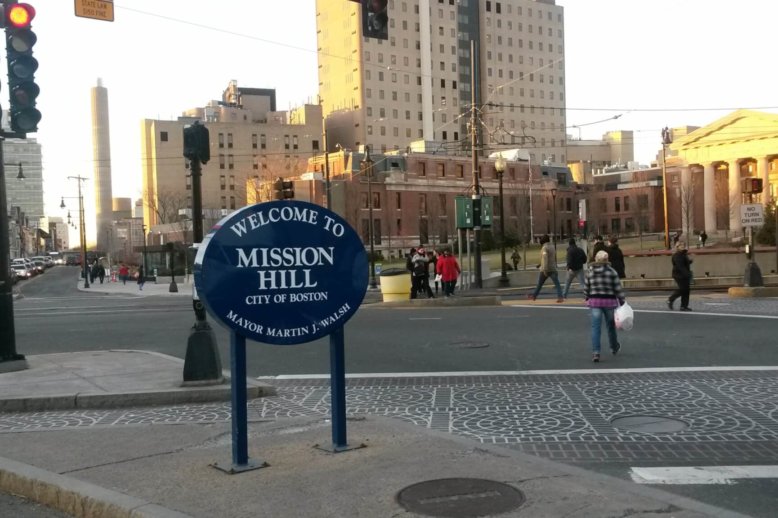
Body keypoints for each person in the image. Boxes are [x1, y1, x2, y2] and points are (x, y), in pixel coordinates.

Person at [584, 250, 625, 363]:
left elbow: (586, 288)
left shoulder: (590, 272)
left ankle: (596, 352)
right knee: (610, 326)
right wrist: (622, 300)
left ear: (596, 259)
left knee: (595, 328)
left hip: (595, 302)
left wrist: (587, 297)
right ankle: (614, 347)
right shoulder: (612, 272)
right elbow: (618, 288)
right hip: (609, 302)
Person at [527, 235, 563, 302]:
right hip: (553, 268)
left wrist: (544, 269)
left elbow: (545, 258)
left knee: (540, 284)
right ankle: (560, 297)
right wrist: (540, 264)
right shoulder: (552, 247)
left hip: (545, 269)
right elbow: (550, 258)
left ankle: (534, 296)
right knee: (557, 284)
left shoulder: (544, 248)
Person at [668, 242, 693, 311]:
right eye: (681, 245)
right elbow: (680, 266)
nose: (682, 246)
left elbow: (684, 263)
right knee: (683, 289)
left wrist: (690, 261)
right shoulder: (677, 255)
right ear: (677, 247)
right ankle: (671, 299)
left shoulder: (683, 254)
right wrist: (687, 274)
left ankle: (684, 306)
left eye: (683, 245)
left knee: (686, 290)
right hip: (679, 275)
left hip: (684, 274)